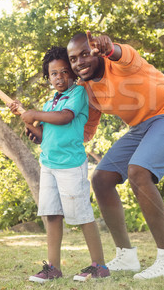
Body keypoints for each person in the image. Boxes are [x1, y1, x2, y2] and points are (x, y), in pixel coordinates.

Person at [66, 31, 164, 280]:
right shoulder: (87, 90)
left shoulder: (119, 61)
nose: (79, 62)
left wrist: (109, 47)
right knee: (102, 178)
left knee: (138, 172)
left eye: (85, 53)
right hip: (141, 127)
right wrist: (47, 133)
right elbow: (85, 131)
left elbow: (121, 53)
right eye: (73, 59)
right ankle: (126, 256)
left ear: (97, 50)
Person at [8, 46, 110, 283]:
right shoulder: (49, 102)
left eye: (65, 72)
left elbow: (65, 117)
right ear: (48, 77)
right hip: (49, 165)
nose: (60, 77)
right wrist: (25, 118)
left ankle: (99, 266)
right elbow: (43, 135)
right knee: (52, 215)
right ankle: (53, 267)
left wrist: (34, 114)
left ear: (73, 74)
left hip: (70, 165)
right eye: (54, 73)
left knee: (82, 214)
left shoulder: (78, 94)